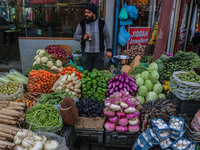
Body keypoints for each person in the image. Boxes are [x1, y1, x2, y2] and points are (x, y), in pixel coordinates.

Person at [74, 3, 112, 71]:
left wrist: (109, 50)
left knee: (98, 74)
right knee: (87, 74)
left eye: (89, 12)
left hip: (99, 53)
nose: (86, 14)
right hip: (86, 54)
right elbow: (75, 36)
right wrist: (83, 37)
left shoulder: (101, 23)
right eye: (85, 12)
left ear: (94, 13)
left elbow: (107, 37)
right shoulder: (82, 24)